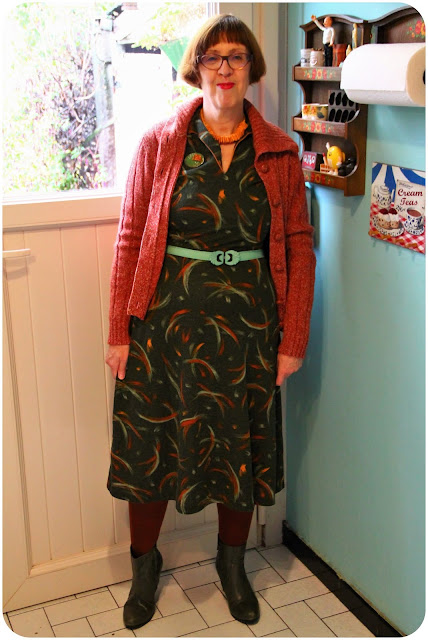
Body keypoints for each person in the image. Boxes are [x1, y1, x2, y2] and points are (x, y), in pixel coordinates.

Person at [105, 13, 316, 631]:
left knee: (237, 450)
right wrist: (118, 330)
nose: (225, 68)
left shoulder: (280, 151)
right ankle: (145, 567)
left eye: (237, 57)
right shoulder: (159, 143)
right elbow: (129, 239)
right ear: (196, 68)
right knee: (148, 450)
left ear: (252, 69)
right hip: (162, 329)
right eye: (213, 57)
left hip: (249, 329)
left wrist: (293, 337)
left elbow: (298, 245)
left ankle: (231, 565)